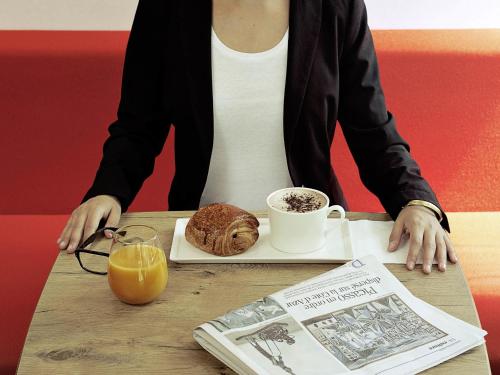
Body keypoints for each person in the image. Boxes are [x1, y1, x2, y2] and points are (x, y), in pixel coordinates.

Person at [58, 0, 457, 273]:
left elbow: (373, 130)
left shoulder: (336, 6)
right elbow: (137, 126)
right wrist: (107, 192)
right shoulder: (166, 7)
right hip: (200, 243)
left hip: (309, 241)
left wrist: (416, 201)